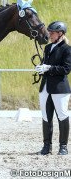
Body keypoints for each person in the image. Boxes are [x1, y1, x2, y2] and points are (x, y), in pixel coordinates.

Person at [35, 21, 71, 155]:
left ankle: (63, 147)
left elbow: (66, 69)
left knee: (62, 116)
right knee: (45, 117)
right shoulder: (48, 47)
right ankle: (46, 147)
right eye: (49, 32)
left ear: (60, 33)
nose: (49, 34)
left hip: (60, 88)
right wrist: (41, 68)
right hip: (45, 87)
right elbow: (46, 65)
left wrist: (49, 68)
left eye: (52, 32)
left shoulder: (67, 49)